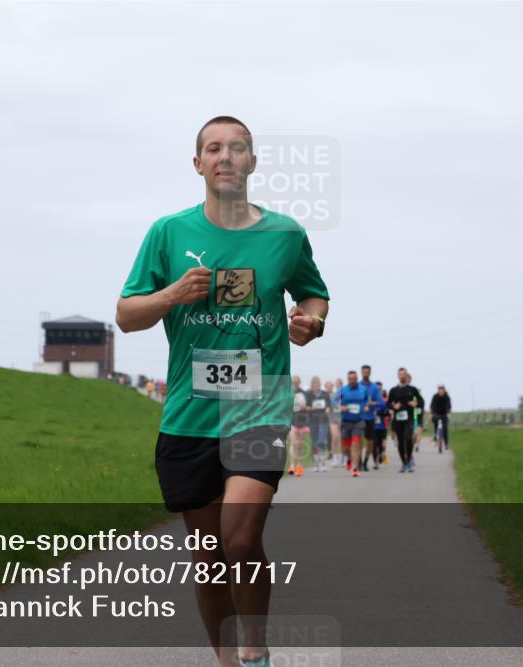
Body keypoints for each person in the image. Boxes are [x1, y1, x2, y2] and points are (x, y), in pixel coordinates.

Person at [115, 116, 329, 667]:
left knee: (238, 540)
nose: (226, 156)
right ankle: (227, 661)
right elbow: (125, 316)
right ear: (198, 164)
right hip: (189, 416)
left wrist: (311, 321)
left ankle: (255, 653)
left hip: (259, 409)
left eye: (238, 148)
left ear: (253, 163)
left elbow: (313, 296)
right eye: (214, 148)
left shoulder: (284, 234)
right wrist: (171, 294)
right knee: (208, 557)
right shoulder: (168, 233)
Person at [387, 367, 421, 473]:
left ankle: (409, 458)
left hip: (409, 418)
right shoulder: (393, 390)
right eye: (400, 374)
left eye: (404, 374)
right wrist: (393, 407)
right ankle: (404, 463)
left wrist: (416, 403)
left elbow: (420, 401)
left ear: (406, 376)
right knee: (401, 442)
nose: (402, 376)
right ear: (398, 376)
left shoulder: (412, 389)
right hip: (398, 418)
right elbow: (388, 404)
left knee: (408, 438)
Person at [338, 371, 368, 478]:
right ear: (348, 379)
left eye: (354, 379)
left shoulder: (363, 389)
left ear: (357, 378)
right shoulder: (343, 390)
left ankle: (355, 468)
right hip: (346, 421)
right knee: (345, 448)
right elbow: (334, 402)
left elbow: (366, 401)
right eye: (350, 379)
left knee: (355, 445)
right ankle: (350, 459)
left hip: (359, 421)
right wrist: (340, 407)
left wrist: (366, 407)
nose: (352, 381)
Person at [357, 364, 381, 472]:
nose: (365, 373)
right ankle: (359, 461)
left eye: (367, 372)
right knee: (359, 441)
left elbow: (381, 403)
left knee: (370, 441)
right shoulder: (357, 386)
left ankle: (366, 461)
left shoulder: (374, 387)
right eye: (364, 372)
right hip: (359, 417)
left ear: (370, 373)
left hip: (370, 417)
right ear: (361, 373)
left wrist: (372, 403)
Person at [307, 376, 332, 472]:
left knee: (321, 441)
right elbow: (307, 406)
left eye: (317, 383)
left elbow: (329, 406)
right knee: (314, 442)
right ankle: (316, 463)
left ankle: (323, 463)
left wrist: (328, 409)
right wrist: (309, 408)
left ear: (319, 384)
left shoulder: (325, 394)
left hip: (323, 420)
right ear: (312, 384)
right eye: (314, 383)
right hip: (313, 420)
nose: (315, 385)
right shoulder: (308, 394)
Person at [289, 375, 309, 476]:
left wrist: (305, 407)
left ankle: (300, 465)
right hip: (292, 421)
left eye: (297, 381)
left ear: (299, 382)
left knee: (300, 445)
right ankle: (292, 465)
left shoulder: (304, 393)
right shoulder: (288, 392)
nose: (295, 383)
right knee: (293, 443)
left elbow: (310, 406)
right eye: (294, 381)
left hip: (303, 421)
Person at [430, 384, 452, 451]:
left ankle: (446, 444)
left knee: (445, 429)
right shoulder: (435, 396)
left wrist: (448, 412)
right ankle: (435, 439)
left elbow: (448, 405)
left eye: (442, 390)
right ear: (438, 390)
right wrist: (432, 413)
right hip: (436, 414)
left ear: (444, 390)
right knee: (436, 426)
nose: (441, 391)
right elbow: (432, 405)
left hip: (444, 415)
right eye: (439, 390)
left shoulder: (447, 397)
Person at [326, 380, 342, 468]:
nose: (338, 386)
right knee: (335, 437)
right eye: (337, 384)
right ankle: (334, 457)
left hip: (342, 418)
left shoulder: (341, 395)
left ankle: (341, 457)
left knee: (341, 438)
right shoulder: (328, 396)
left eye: (340, 384)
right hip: (332, 419)